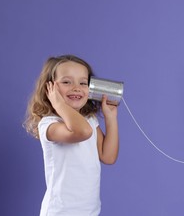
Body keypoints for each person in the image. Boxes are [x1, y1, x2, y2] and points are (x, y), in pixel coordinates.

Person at [23, 54, 119, 216]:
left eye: (83, 83)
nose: (76, 87)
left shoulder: (89, 120)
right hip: (60, 211)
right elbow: (82, 132)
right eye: (67, 82)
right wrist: (58, 103)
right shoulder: (49, 124)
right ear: (50, 88)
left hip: (89, 211)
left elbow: (108, 156)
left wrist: (110, 118)